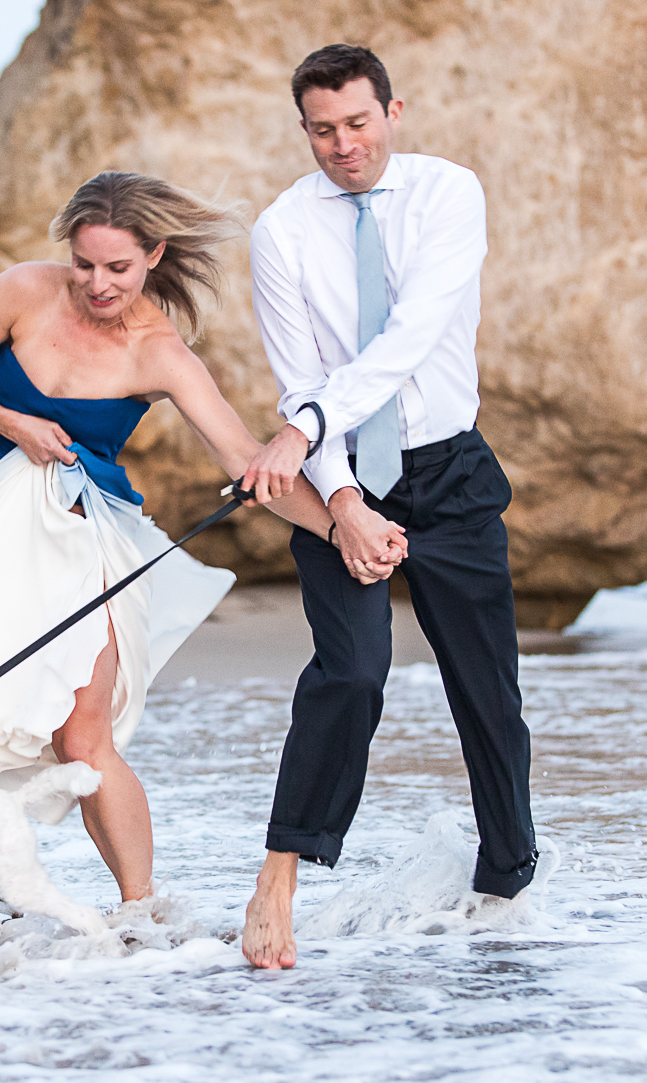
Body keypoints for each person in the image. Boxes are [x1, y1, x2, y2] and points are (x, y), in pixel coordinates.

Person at [0, 172, 393, 955]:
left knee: (80, 736)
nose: (97, 284)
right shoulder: (26, 291)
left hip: (82, 530)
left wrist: (343, 529)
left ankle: (140, 912)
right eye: (85, 264)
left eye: (118, 269)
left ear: (154, 256)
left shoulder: (161, 352)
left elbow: (244, 461)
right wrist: (11, 421)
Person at [237, 45, 539, 970]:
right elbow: (299, 383)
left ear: (392, 112)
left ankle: (505, 884)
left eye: (358, 123)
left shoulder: (450, 195)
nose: (343, 145)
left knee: (486, 692)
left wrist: (311, 423)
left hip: (447, 470)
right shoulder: (281, 231)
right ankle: (279, 874)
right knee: (352, 673)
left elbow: (412, 334)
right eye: (323, 130)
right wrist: (339, 500)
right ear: (305, 130)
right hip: (339, 476)